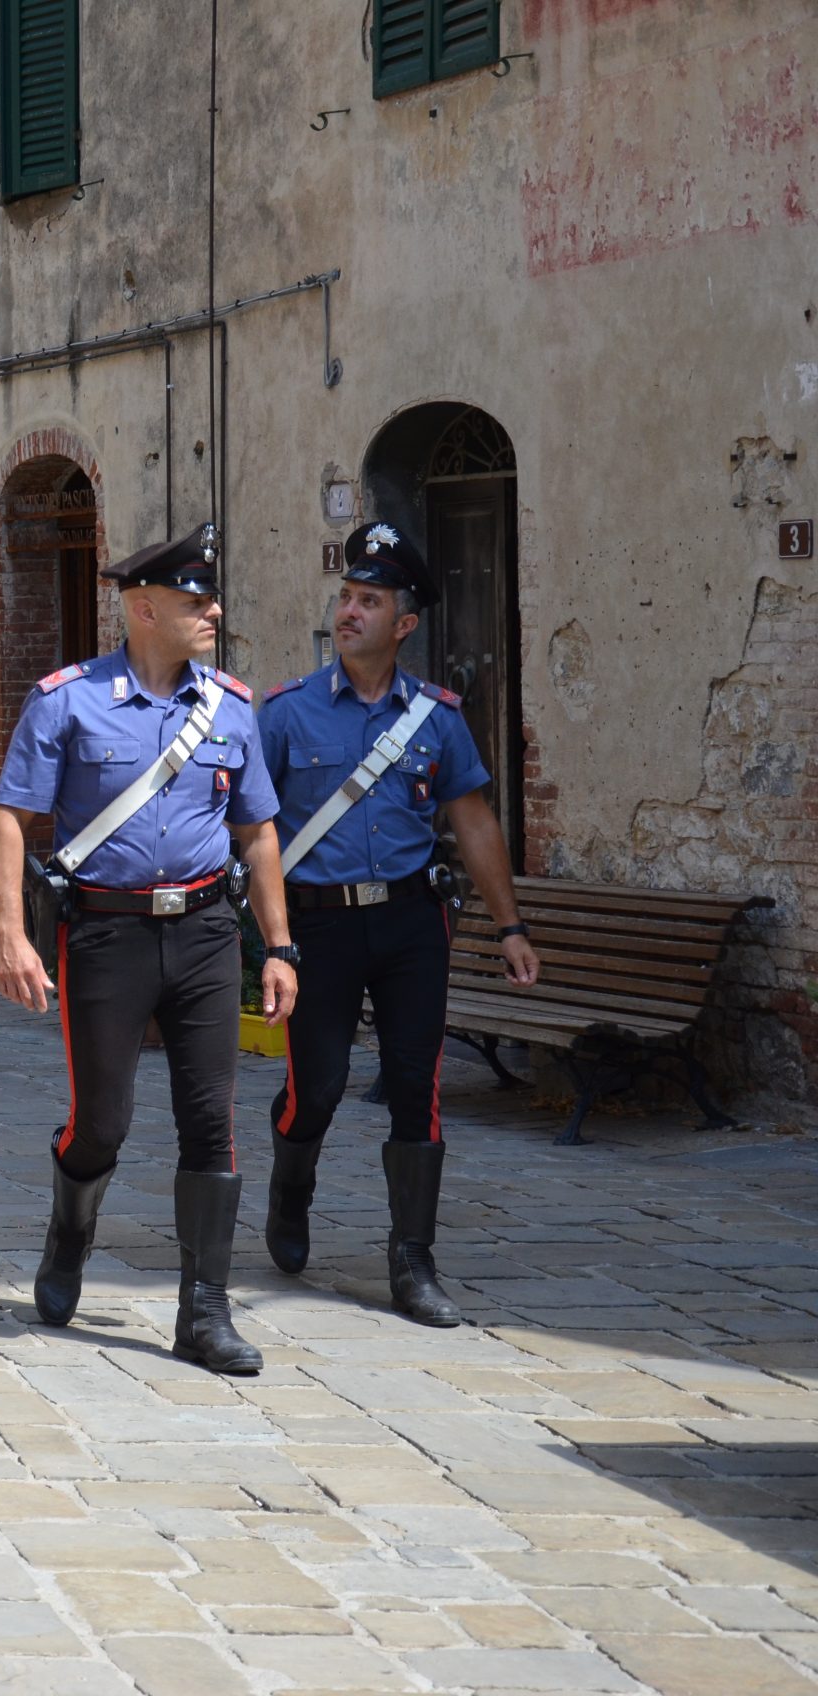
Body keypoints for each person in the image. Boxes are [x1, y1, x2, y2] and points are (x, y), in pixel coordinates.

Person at [0, 523, 298, 1376]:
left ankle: (204, 1313)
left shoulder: (230, 708)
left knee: (211, 1123)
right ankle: (69, 1229)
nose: (215, 611)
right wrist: (13, 935)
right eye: (198, 601)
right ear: (144, 607)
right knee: (104, 1124)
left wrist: (278, 945)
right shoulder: (66, 699)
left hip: (202, 934)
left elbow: (259, 832)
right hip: (106, 933)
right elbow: (12, 819)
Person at [256, 522, 542, 1327]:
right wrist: (269, 935)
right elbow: (255, 829)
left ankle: (412, 1261)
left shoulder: (437, 717)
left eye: (369, 601)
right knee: (319, 1087)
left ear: (403, 624)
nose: (349, 611)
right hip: (320, 929)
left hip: (414, 922)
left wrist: (511, 923)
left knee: (418, 1085)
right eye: (347, 596)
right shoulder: (285, 713)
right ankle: (292, 1185)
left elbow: (475, 820)